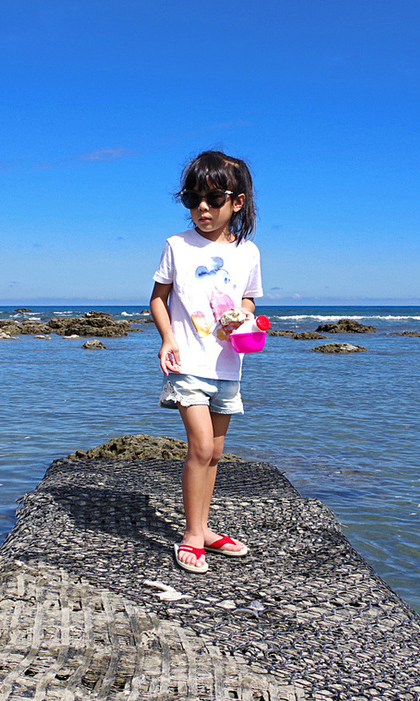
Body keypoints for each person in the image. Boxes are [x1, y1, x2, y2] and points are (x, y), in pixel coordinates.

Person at [150, 151, 262, 574]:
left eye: (213, 199)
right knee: (199, 446)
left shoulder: (248, 252)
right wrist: (167, 339)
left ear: (236, 202)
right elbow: (158, 299)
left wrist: (246, 318)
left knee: (214, 453)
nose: (202, 208)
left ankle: (204, 528)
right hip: (188, 364)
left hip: (228, 366)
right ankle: (192, 535)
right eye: (192, 199)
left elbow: (247, 299)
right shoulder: (177, 246)